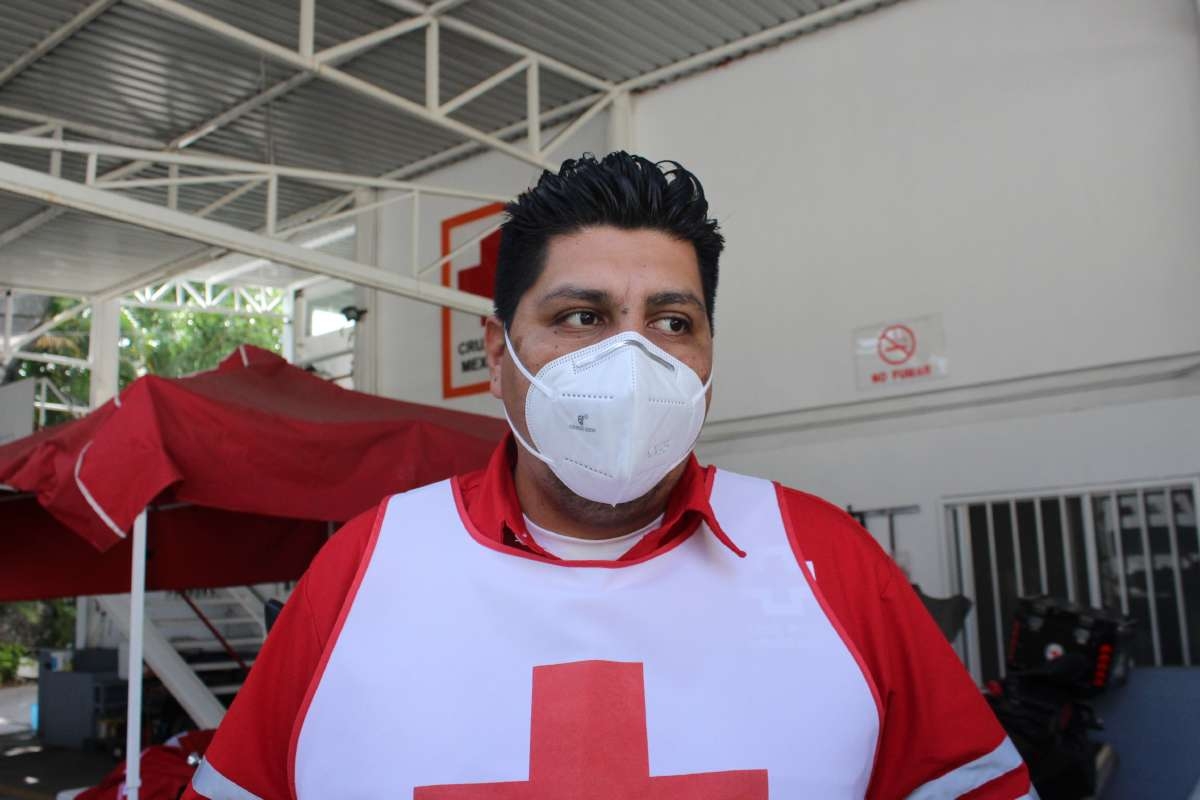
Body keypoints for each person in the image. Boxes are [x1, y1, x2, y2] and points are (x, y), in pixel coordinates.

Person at [184, 153, 1034, 799]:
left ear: (709, 353)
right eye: (582, 316)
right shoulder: (366, 567)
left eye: (672, 321)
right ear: (498, 356)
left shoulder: (828, 562)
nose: (631, 359)